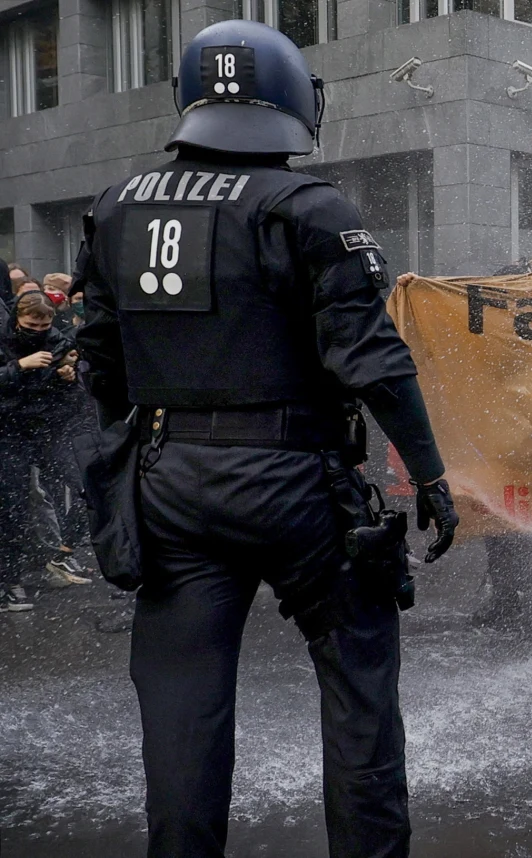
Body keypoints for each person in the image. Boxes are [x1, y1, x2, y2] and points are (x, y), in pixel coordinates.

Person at [72, 20, 458, 858]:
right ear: (290, 101)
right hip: (298, 483)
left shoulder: (115, 208)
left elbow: (100, 362)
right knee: (359, 693)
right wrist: (428, 472)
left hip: (169, 482)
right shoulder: (307, 209)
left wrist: (130, 466)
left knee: (180, 715)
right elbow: (374, 363)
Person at [0, 292, 92, 611]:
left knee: (86, 488)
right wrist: (19, 366)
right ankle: (10, 581)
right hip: (10, 430)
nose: (38, 329)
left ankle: (62, 554)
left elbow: (71, 380)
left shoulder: (56, 340)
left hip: (48, 429)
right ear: (18, 319)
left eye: (44, 323)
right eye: (31, 324)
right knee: (13, 505)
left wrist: (66, 374)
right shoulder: (5, 339)